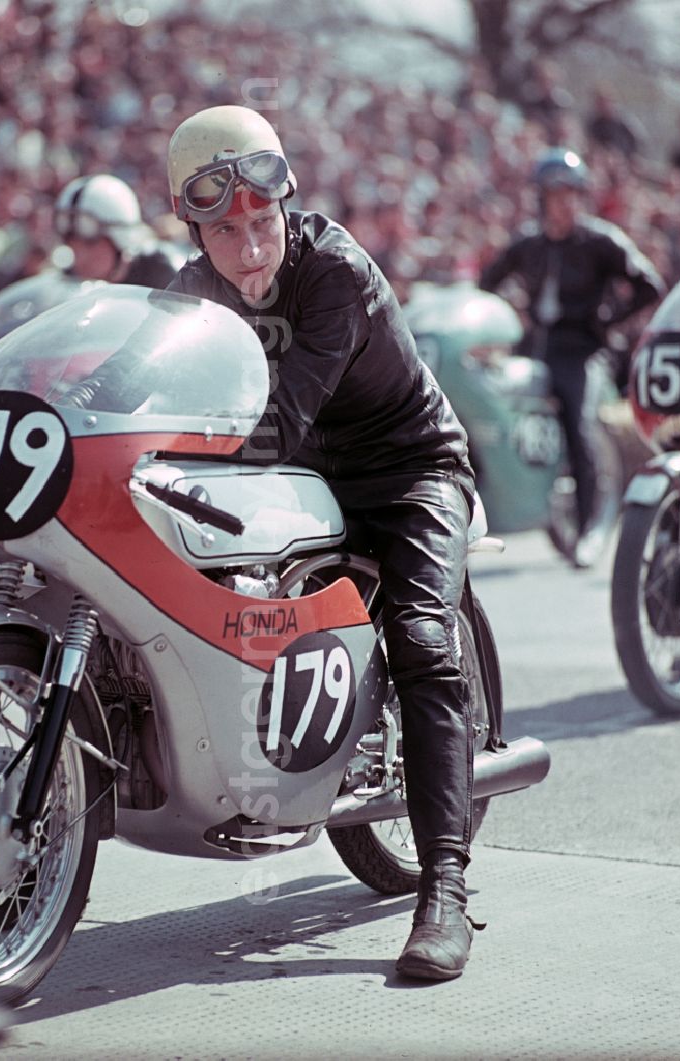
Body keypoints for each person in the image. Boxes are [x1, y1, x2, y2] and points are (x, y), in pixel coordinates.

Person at [163, 105, 479, 980]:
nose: (250, 247)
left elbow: (281, 417)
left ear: (284, 210)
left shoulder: (334, 268)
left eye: (261, 223)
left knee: (421, 639)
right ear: (195, 228)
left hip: (409, 470)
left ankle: (444, 886)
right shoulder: (189, 292)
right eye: (225, 230)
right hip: (303, 488)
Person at [480, 147, 665, 568]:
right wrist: (510, 314)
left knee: (579, 425)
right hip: (534, 347)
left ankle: (587, 527)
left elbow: (648, 284)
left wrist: (606, 321)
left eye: (570, 194)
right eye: (554, 194)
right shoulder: (527, 243)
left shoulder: (601, 242)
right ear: (541, 198)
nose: (563, 203)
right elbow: (486, 283)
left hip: (581, 349)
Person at [0, 174, 184, 368]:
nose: (79, 255)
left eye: (90, 243)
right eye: (72, 243)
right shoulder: (67, 280)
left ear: (119, 240)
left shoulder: (168, 273)